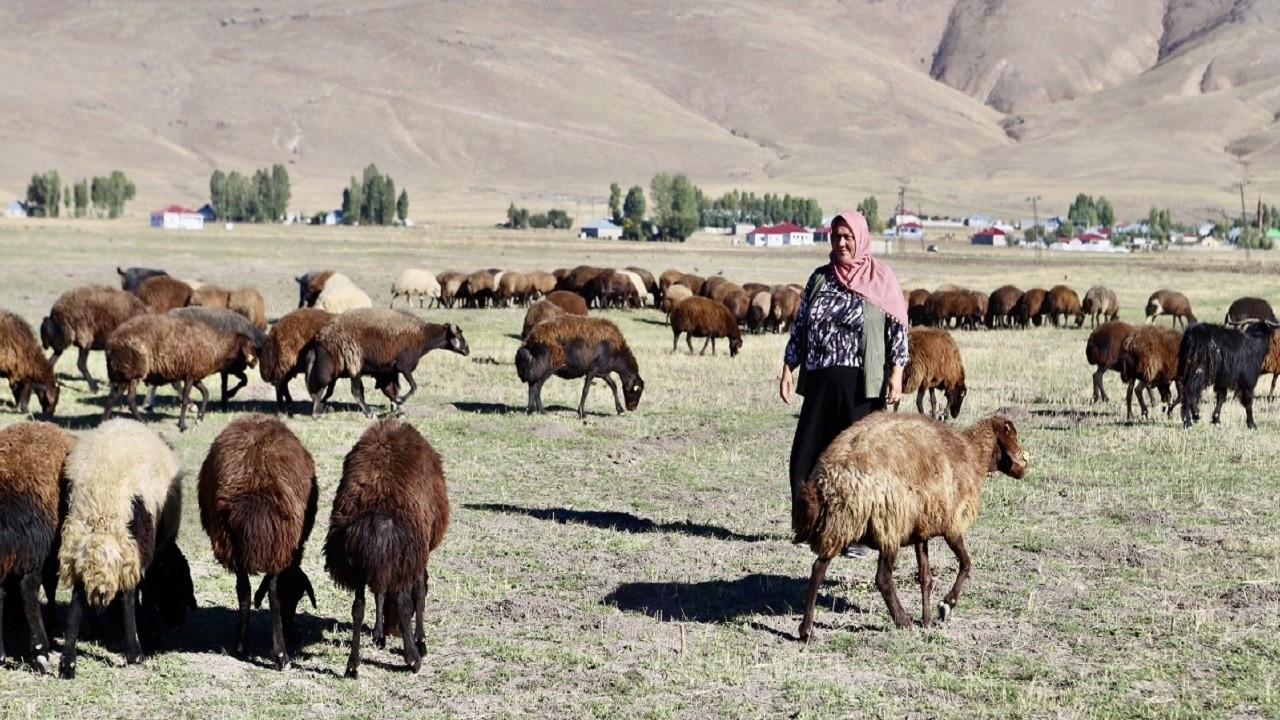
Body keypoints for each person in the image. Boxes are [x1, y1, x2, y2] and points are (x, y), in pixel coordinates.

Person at [780, 209, 910, 548]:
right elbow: (801, 327)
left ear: (861, 238)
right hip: (821, 382)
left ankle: (861, 536)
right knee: (806, 457)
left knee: (860, 464)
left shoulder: (881, 278)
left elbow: (898, 328)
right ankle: (811, 524)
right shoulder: (820, 278)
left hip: (862, 388)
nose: (841, 243)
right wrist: (787, 368)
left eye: (847, 236)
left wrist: (896, 372)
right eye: (836, 236)